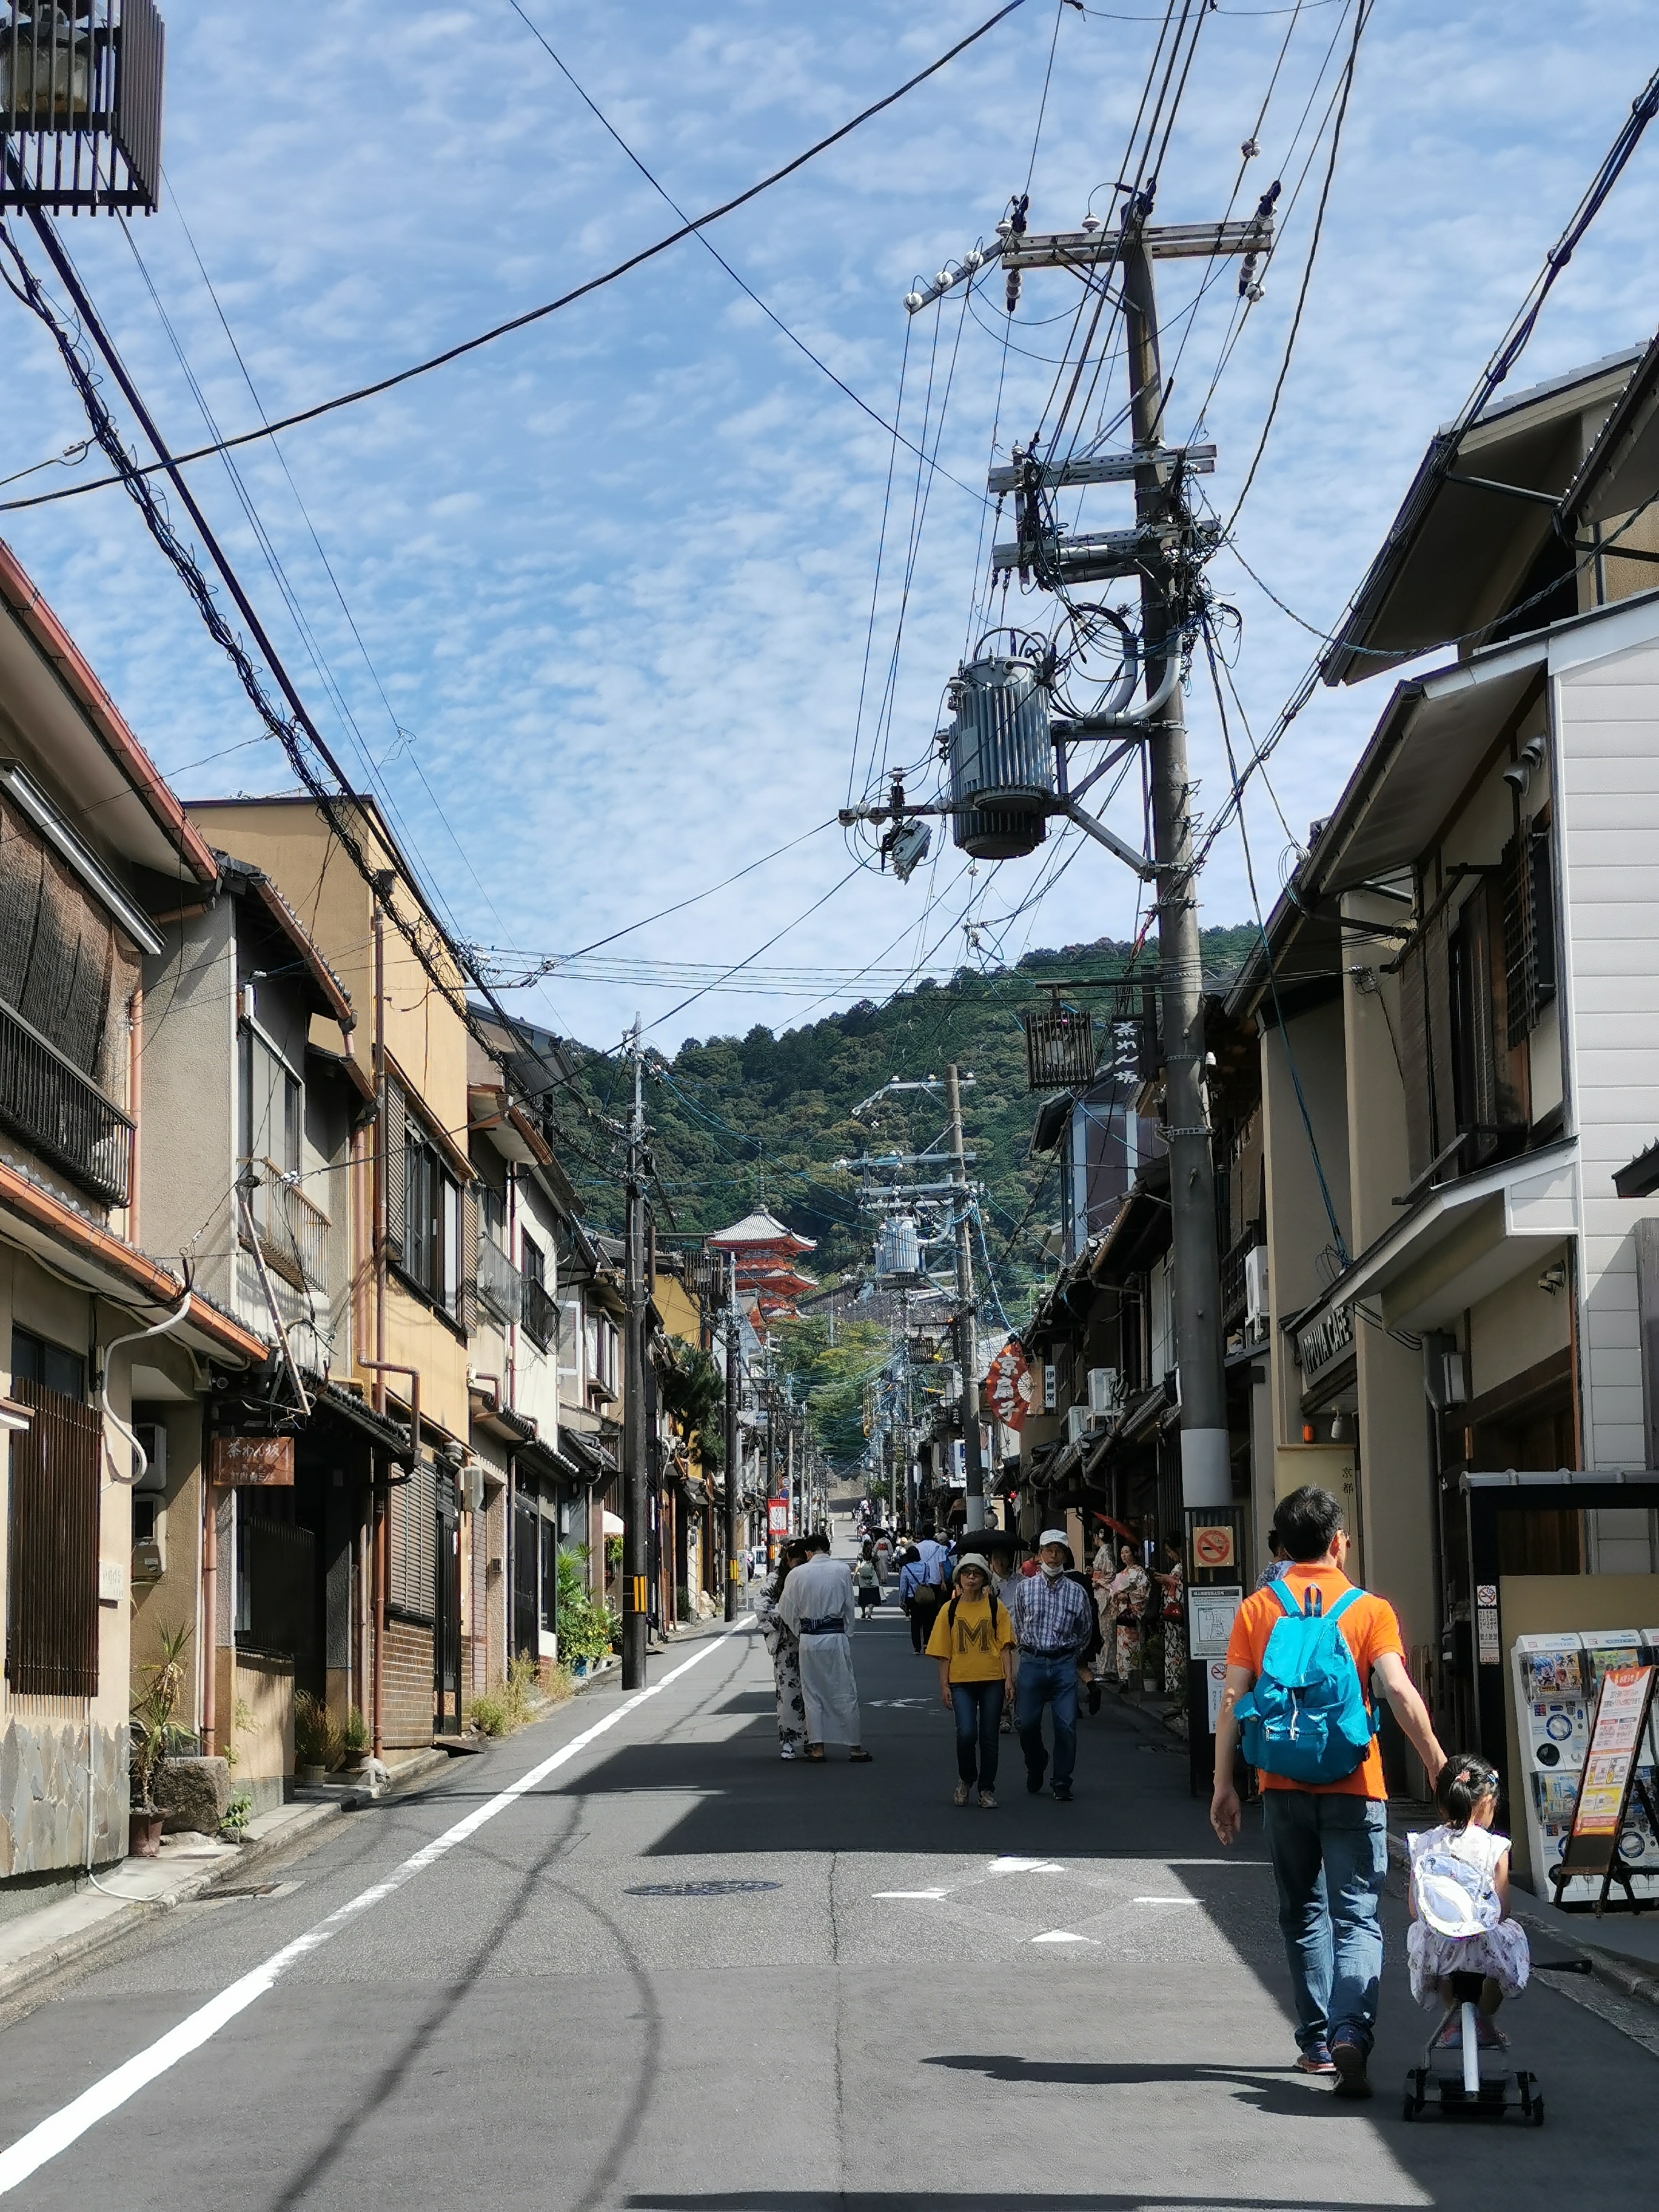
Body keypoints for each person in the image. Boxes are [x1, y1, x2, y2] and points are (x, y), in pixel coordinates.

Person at [1210, 1484, 1447, 2100]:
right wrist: (1439, 1767)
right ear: (1339, 1543)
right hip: (1354, 1785)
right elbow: (1398, 1692)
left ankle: (1316, 2042)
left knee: (1301, 1912)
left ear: (1284, 1548)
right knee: (1357, 1917)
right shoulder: (1370, 1609)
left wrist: (1223, 1784)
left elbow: (1233, 1702)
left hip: (1282, 1786)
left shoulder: (1258, 1609)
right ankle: (1351, 2029)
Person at [1406, 1752, 1530, 2035]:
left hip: (1436, 1948)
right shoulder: (1494, 1847)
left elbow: (1416, 1909)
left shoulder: (1424, 1844)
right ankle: (1482, 2020)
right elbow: (1502, 1911)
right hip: (1484, 1947)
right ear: (1486, 1802)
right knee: (1509, 1939)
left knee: (1434, 1939)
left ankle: (1454, 2023)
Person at [1008, 1528, 1096, 1801]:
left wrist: (1070, 1656)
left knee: (1067, 1725)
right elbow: (1018, 1626)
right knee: (1025, 1723)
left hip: (1063, 1663)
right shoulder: (1025, 1589)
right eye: (1049, 1550)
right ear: (1040, 1555)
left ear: (1066, 1555)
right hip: (1033, 1661)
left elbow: (1085, 1631)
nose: (1054, 1555)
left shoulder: (1077, 1592)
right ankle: (1036, 1762)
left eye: (1059, 1550)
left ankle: (1062, 1780)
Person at [927, 1553, 1017, 1807]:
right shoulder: (950, 1609)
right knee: (966, 1733)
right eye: (966, 1573)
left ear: (984, 1579)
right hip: (961, 1680)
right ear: (959, 1579)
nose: (971, 1578)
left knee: (990, 1736)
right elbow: (943, 1652)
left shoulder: (995, 1607)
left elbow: (1005, 1647)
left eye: (976, 1574)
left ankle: (986, 1789)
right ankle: (966, 1778)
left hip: (992, 1679)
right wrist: (944, 1685)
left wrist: (1009, 1679)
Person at [778, 1529, 871, 1763]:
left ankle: (818, 1747)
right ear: (828, 1550)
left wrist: (800, 1629)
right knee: (844, 1690)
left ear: (808, 1552)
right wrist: (848, 1629)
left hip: (810, 1639)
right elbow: (850, 1604)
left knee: (813, 1693)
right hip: (835, 1637)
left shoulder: (797, 1574)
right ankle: (854, 1747)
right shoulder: (841, 1570)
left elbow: (786, 1609)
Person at [754, 1539, 809, 1760]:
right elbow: (761, 1606)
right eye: (798, 1562)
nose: (801, 1565)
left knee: (811, 1693)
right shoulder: (775, 1580)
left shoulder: (808, 1577)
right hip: (787, 1643)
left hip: (808, 1640)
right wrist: (788, 1616)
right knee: (788, 1694)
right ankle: (788, 1740)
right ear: (788, 1559)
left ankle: (811, 1740)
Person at [1105, 1542, 1149, 1685]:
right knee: (1122, 1646)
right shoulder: (1120, 1574)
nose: (1124, 1555)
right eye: (1122, 1553)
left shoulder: (1140, 1573)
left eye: (1127, 1552)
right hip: (1122, 1612)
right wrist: (1116, 1596)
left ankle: (1133, 1678)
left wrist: (1129, 1596)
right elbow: (1112, 1593)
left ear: (1134, 1554)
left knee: (1134, 1645)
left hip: (1132, 1613)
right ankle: (1123, 1677)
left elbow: (1144, 1593)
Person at [900, 1529, 947, 1657]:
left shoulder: (906, 1568)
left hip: (912, 1597)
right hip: (925, 1594)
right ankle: (927, 1643)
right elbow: (928, 1578)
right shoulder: (926, 1565)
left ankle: (917, 1647)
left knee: (915, 1622)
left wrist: (902, 1600)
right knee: (928, 1620)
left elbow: (903, 1586)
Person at [1153, 1533, 1186, 1697]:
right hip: (1172, 1613)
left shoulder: (1184, 1565)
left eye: (1169, 1551)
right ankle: (1173, 1686)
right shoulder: (1180, 1566)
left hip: (1178, 1612)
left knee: (1178, 1650)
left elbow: (1183, 1585)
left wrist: (1170, 1581)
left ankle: (1178, 1687)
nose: (1169, 1555)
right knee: (1173, 1649)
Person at [854, 1543, 882, 1620]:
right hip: (873, 1578)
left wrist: (855, 1575)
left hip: (863, 1579)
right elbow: (878, 1567)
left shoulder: (860, 1556)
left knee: (863, 1595)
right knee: (872, 1596)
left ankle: (863, 1613)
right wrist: (879, 1577)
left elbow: (858, 1566)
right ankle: (870, 1612)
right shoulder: (874, 1556)